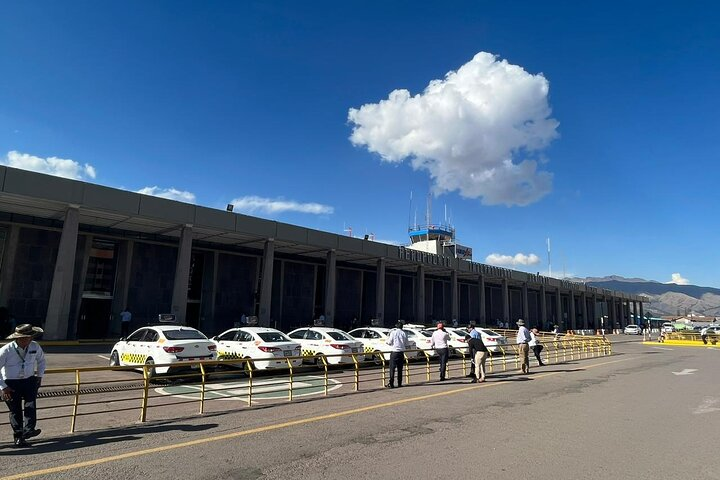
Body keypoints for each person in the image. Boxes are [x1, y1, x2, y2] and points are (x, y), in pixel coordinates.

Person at [0, 324, 46, 447]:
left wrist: (39, 376)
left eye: (29, 337)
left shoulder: (35, 346)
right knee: (15, 410)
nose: (27, 340)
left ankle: (29, 430)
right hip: (11, 382)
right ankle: (19, 437)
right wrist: (3, 387)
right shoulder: (6, 350)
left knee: (30, 404)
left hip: (29, 380)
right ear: (18, 338)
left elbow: (41, 361)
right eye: (24, 338)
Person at [385, 321, 408, 388]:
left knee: (392, 368)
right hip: (401, 352)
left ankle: (391, 383)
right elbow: (406, 344)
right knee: (400, 369)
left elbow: (389, 342)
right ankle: (399, 383)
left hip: (394, 352)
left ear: (396, 326)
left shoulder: (393, 333)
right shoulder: (404, 333)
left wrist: (387, 342)